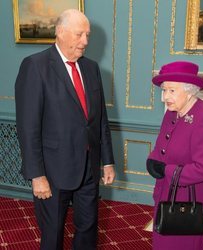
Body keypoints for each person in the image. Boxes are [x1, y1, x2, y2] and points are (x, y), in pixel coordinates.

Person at [15, 9, 115, 250]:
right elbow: (28, 127)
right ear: (60, 32)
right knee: (52, 234)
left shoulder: (91, 69)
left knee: (88, 229)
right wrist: (37, 175)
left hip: (89, 169)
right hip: (52, 172)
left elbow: (99, 119)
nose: (85, 42)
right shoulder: (35, 66)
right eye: (79, 34)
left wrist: (108, 161)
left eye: (87, 35)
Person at [146, 61, 203, 250]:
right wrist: (152, 160)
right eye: (164, 90)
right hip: (165, 194)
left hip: (190, 202)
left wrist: (167, 170)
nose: (165, 97)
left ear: (189, 90)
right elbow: (160, 148)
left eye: (171, 91)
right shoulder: (171, 113)